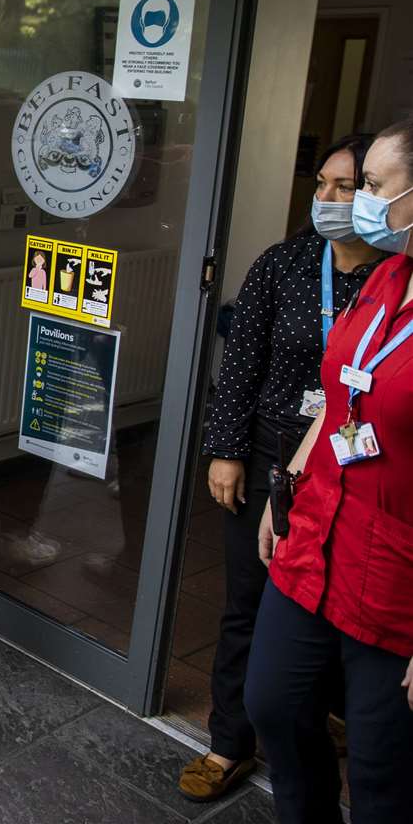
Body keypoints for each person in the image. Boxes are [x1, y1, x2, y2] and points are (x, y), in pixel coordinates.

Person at [178, 134, 384, 803]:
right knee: (248, 603)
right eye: (320, 183)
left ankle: (320, 716)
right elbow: (239, 367)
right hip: (272, 450)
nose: (326, 197)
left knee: (332, 602)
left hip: (352, 462)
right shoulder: (286, 264)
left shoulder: (390, 282)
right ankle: (228, 741)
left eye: (345, 187)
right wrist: (227, 450)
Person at [247, 118, 413, 824]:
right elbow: (342, 394)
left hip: (394, 583)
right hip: (314, 542)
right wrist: (282, 487)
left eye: (374, 186)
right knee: (274, 705)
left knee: (381, 778)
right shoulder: (386, 279)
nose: (361, 201)